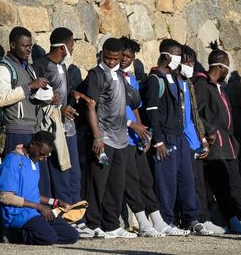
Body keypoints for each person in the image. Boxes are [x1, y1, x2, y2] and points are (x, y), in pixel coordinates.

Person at [193, 41, 241, 234]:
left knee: (235, 182)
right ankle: (233, 220)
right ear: (220, 66)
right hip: (215, 145)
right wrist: (209, 131)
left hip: (229, 144)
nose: (227, 70)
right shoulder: (202, 86)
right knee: (221, 185)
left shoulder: (219, 87)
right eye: (226, 66)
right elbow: (196, 113)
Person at [119, 37, 184, 237]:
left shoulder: (131, 79)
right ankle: (142, 223)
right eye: (122, 55)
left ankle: (158, 221)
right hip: (120, 137)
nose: (124, 59)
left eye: (129, 56)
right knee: (131, 182)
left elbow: (136, 107)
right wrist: (133, 126)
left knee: (146, 180)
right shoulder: (111, 77)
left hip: (136, 138)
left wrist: (143, 134)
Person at [32, 27, 94, 237]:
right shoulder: (40, 65)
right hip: (53, 130)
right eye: (71, 44)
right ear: (62, 46)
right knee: (61, 176)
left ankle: (78, 218)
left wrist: (73, 95)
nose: (73, 48)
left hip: (69, 130)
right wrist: (59, 107)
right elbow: (37, 98)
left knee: (74, 175)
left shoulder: (63, 66)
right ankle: (67, 220)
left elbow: (60, 93)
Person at [140, 39, 200, 233]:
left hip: (179, 136)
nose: (180, 60)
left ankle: (192, 219)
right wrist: (158, 141)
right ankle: (165, 221)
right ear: (167, 56)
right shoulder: (154, 80)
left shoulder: (174, 78)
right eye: (177, 56)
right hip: (165, 138)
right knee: (166, 182)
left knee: (186, 180)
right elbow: (152, 112)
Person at [79, 38, 136, 238]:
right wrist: (97, 137)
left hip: (121, 139)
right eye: (108, 58)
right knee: (97, 183)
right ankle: (93, 224)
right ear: (102, 54)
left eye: (115, 58)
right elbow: (90, 106)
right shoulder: (96, 75)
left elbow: (131, 101)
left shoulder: (120, 75)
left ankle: (112, 225)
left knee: (116, 185)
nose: (111, 61)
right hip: (103, 138)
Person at [0, 131, 79, 245]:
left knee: (71, 235)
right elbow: (6, 197)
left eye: (45, 155)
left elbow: (32, 195)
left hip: (34, 212)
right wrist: (40, 207)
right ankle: (14, 234)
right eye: (41, 154)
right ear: (33, 144)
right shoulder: (13, 161)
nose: (42, 158)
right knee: (49, 238)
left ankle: (42, 234)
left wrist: (55, 201)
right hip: (18, 215)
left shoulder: (34, 162)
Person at [177, 44, 226, 234]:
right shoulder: (177, 82)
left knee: (199, 183)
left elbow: (195, 115)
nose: (189, 65)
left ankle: (202, 218)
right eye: (186, 62)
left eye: (192, 62)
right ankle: (192, 219)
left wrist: (203, 138)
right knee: (187, 183)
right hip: (181, 141)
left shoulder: (189, 83)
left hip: (194, 140)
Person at [0, 26, 54, 156]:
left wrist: (48, 98)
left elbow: (30, 98)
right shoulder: (4, 68)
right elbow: (1, 98)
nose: (29, 50)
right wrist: (30, 86)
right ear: (13, 45)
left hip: (32, 130)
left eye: (30, 46)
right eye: (25, 46)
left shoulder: (28, 68)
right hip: (16, 131)